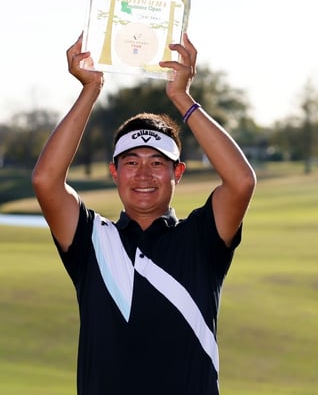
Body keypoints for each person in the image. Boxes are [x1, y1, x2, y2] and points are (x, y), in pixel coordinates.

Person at [31, 32, 256, 395]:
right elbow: (46, 180)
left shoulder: (201, 238)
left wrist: (182, 98)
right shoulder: (93, 239)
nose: (144, 174)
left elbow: (241, 181)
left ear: (177, 173)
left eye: (157, 163)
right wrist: (90, 89)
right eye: (131, 162)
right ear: (115, 172)